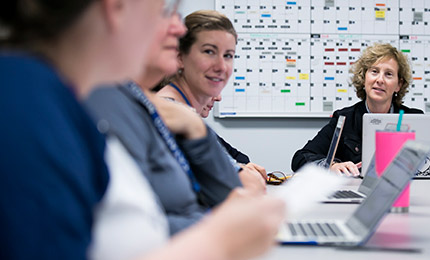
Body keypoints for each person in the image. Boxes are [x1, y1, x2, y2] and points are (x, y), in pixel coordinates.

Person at [0, 0, 284, 259]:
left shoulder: (57, 99)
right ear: (116, 8)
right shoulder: (28, 106)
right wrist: (219, 240)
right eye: (163, 11)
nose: (177, 28)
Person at [85, 7, 265, 236]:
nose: (178, 28)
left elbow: (228, 191)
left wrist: (196, 128)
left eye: (229, 55)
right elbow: (132, 228)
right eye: (161, 14)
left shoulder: (139, 99)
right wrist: (222, 226)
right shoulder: (108, 99)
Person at [291, 43, 430, 178]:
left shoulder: (414, 119)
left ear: (398, 85)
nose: (380, 80)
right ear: (364, 78)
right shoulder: (345, 119)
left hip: (407, 199)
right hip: (356, 201)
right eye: (374, 72)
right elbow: (300, 158)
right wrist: (330, 166)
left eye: (388, 74)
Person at [155, 10, 267, 179]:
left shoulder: (187, 113)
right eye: (209, 52)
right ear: (180, 57)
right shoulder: (168, 114)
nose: (221, 66)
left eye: (228, 55)